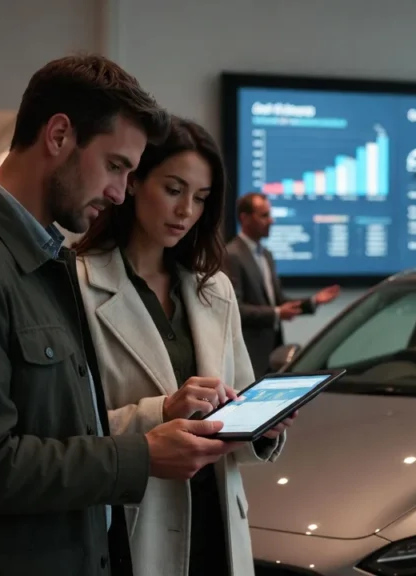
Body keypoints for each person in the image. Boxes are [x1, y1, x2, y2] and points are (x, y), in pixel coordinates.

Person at [0, 55, 238, 576]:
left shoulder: (40, 260)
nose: (120, 192)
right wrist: (139, 455)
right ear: (58, 136)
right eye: (115, 165)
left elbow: (65, 425)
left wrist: (158, 421)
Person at [72, 116, 293, 575]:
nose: (186, 211)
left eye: (201, 198)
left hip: (217, 518)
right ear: (133, 183)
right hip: (136, 521)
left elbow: (240, 398)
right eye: (174, 189)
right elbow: (65, 430)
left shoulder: (215, 289)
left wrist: (261, 426)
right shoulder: (77, 284)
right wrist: (161, 412)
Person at [225, 192, 340, 377]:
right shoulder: (232, 255)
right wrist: (277, 313)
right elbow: (234, 309)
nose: (271, 221)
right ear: (244, 218)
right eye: (264, 216)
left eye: (269, 215)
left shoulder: (266, 255)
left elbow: (278, 301)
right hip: (248, 354)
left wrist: (313, 302)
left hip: (273, 353)